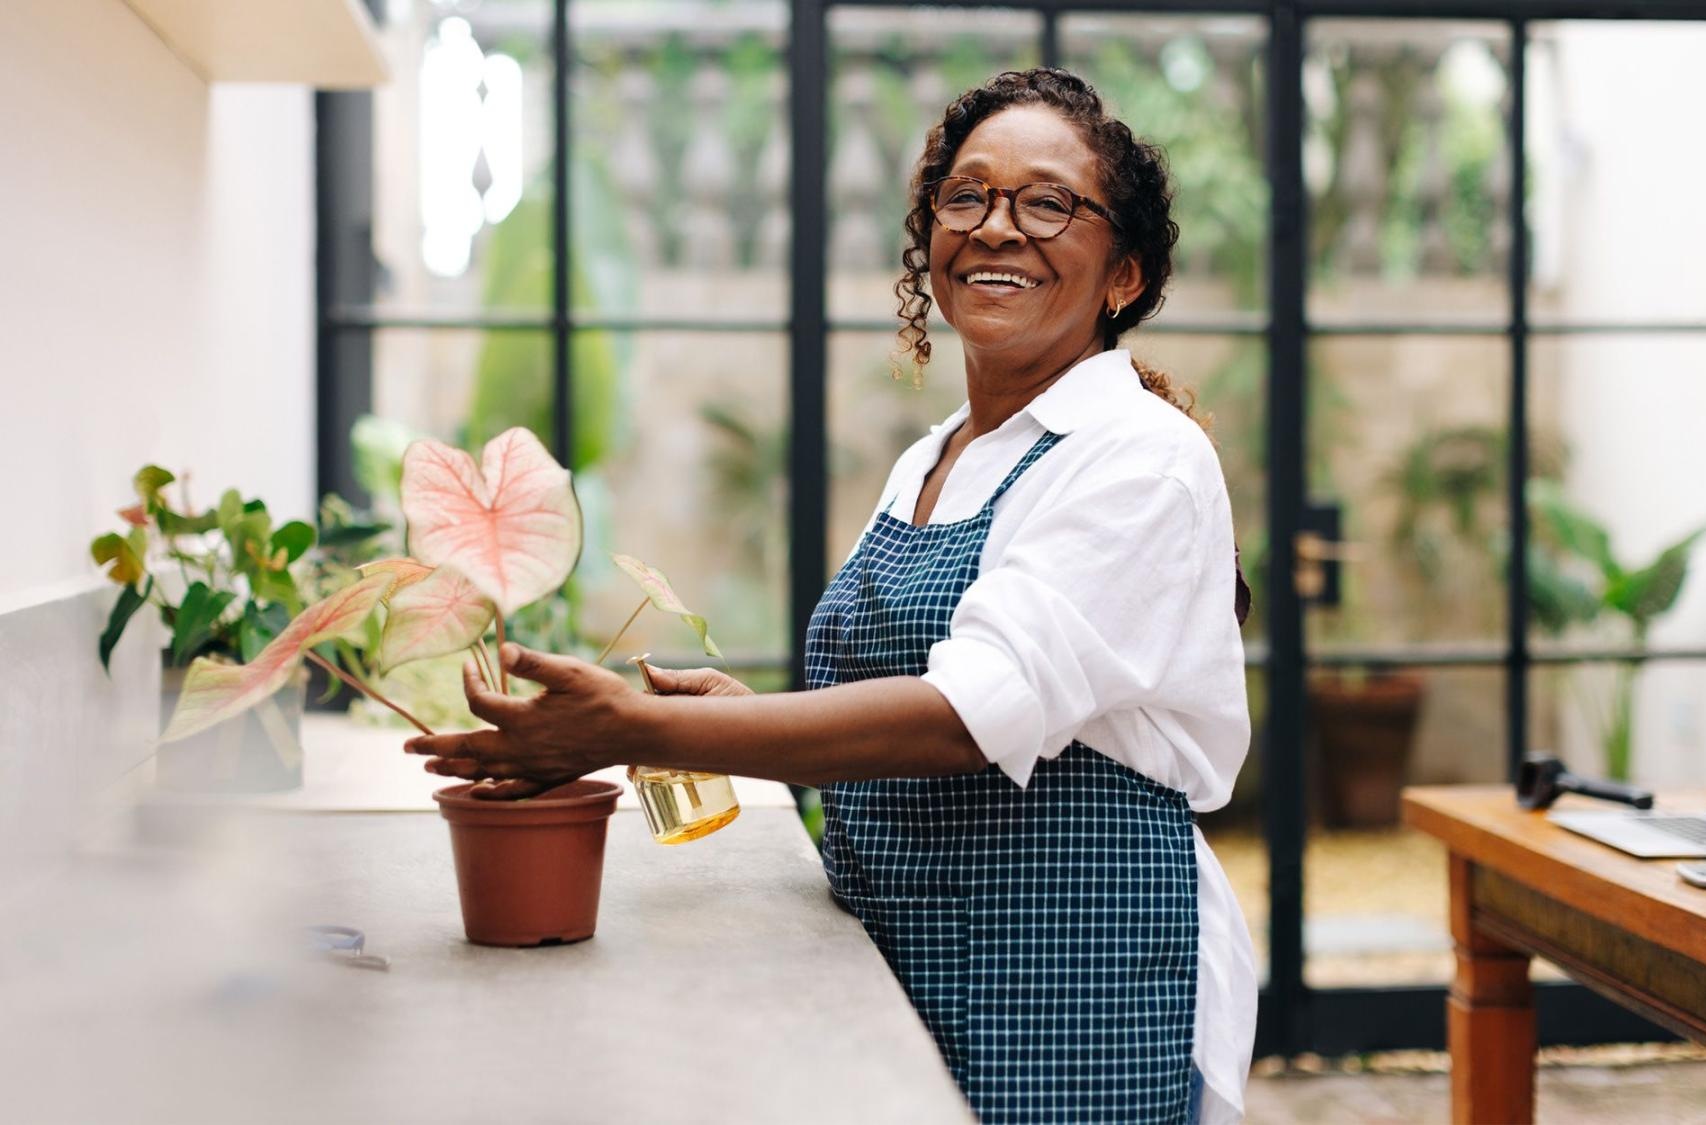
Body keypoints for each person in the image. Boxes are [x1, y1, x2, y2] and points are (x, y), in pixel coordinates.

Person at [406, 67, 1256, 1125]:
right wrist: (719, 713)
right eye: (967, 196)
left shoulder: (1140, 456)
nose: (998, 227)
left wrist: (628, 723)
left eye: (1047, 203)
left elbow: (961, 718)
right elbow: (908, 681)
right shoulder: (935, 457)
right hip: (902, 950)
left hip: (1066, 985)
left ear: (1123, 275)